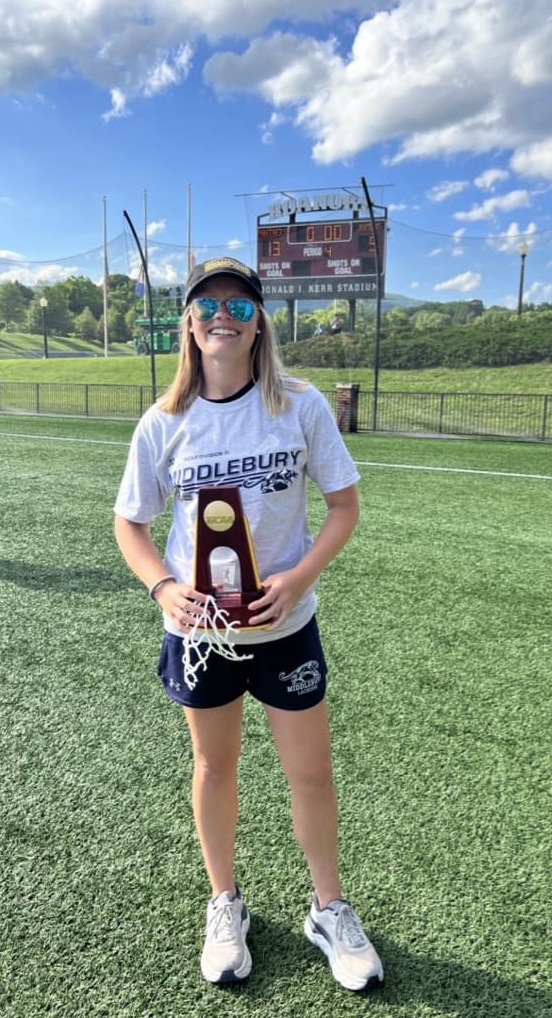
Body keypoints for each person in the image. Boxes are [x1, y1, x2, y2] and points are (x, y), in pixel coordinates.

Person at [113, 256, 383, 992]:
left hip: (285, 628)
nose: (221, 316)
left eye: (238, 304)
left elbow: (344, 506)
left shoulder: (299, 405)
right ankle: (225, 903)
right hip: (201, 636)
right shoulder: (163, 420)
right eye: (207, 305)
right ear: (188, 324)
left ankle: (329, 908)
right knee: (214, 767)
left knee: (311, 773)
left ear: (258, 319)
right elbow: (130, 524)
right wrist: (164, 587)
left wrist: (298, 577)